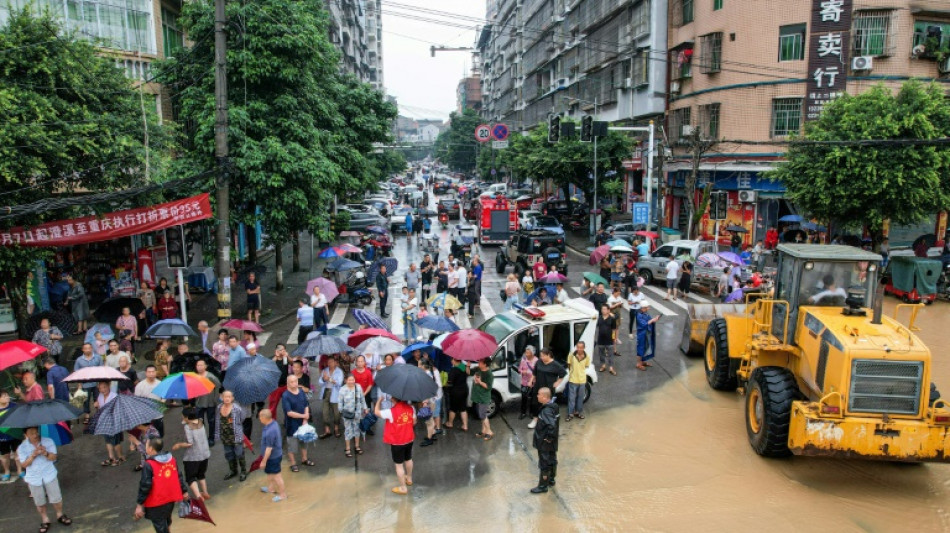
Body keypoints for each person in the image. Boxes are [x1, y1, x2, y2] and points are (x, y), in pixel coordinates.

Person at [18, 426, 71, 531]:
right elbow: (24, 464)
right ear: (26, 435)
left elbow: (54, 458)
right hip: (33, 477)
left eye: (36, 432)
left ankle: (60, 514)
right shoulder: (22, 447)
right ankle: (45, 519)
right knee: (39, 501)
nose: (35, 435)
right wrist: (33, 456)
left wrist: (45, 453)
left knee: (56, 497)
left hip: (49, 473)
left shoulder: (48, 441)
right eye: (31, 433)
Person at [135, 438, 189, 532]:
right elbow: (178, 476)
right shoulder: (171, 459)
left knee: (160, 526)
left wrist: (140, 505)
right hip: (170, 499)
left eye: (146, 445)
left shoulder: (149, 465)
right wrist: (184, 491)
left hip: (156, 502)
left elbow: (145, 486)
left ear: (151, 449)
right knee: (167, 520)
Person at [375, 395, 416, 495]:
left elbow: (376, 412)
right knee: (408, 458)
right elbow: (414, 422)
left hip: (397, 442)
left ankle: (403, 488)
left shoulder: (391, 411)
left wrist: (379, 401)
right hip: (409, 438)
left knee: (399, 465)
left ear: (394, 399)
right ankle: (409, 478)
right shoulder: (411, 408)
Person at [172, 408, 212, 501]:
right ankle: (205, 492)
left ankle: (198, 496)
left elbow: (190, 443)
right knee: (201, 475)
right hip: (205, 454)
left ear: (186, 417)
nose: (181, 417)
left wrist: (179, 445)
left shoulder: (188, 427)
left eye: (183, 416)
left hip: (193, 457)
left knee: (190, 477)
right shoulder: (201, 421)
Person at [530, 387, 559, 494]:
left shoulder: (546, 411)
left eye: (539, 394)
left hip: (545, 442)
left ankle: (543, 486)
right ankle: (551, 479)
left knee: (544, 463)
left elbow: (552, 425)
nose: (537, 396)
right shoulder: (554, 406)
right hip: (552, 442)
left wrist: (548, 438)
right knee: (552, 459)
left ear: (545, 397)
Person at [281, 375, 313, 472]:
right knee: (292, 445)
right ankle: (293, 463)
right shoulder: (285, 395)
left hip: (303, 422)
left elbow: (306, 404)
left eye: (295, 381)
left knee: (304, 442)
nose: (294, 383)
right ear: (288, 383)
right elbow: (289, 412)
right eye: (292, 382)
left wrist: (306, 415)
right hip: (292, 424)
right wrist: (304, 416)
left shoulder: (301, 391)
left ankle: (304, 458)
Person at [215, 390, 248, 482]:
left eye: (229, 397)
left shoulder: (236, 408)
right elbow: (218, 421)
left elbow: (242, 419)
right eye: (225, 397)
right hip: (225, 436)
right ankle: (233, 470)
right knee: (229, 454)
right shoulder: (219, 407)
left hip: (236, 436)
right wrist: (217, 434)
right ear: (222, 398)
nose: (227, 398)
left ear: (232, 398)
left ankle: (243, 471)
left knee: (239, 454)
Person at [530, 349, 566, 429]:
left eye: (543, 356)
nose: (541, 357)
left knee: (547, 405)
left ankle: (546, 421)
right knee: (535, 403)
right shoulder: (539, 362)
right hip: (538, 387)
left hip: (548, 389)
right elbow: (534, 373)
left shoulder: (555, 365)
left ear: (548, 355)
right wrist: (530, 381)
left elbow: (563, 373)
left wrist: (557, 382)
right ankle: (535, 419)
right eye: (541, 356)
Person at [258, 409, 286, 502]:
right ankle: (271, 488)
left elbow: (269, 448)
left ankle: (283, 495)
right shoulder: (273, 423)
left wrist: (263, 461)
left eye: (260, 417)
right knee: (270, 473)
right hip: (274, 456)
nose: (259, 419)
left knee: (277, 476)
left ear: (264, 418)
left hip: (273, 457)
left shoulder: (270, 431)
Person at [95, 381, 126, 466]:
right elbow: (100, 409)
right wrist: (97, 406)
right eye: (100, 388)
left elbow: (118, 409)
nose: (102, 390)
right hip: (104, 421)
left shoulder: (114, 396)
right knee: (107, 440)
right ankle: (111, 457)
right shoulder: (100, 396)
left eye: (104, 387)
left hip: (113, 421)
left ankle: (120, 457)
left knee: (116, 441)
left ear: (108, 386)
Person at [339, 373, 368, 457]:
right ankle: (347, 448)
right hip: (347, 413)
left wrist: (365, 408)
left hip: (357, 413)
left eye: (353, 380)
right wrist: (341, 411)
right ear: (346, 380)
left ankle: (357, 446)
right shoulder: (342, 389)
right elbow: (340, 402)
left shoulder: (358, 387)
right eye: (349, 380)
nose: (351, 381)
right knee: (348, 430)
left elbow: (362, 399)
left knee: (356, 429)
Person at [192, 360, 220, 446]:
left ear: (205, 366)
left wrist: (215, 399)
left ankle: (211, 438)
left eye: (201, 365)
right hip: (198, 402)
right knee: (199, 421)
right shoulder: (194, 377)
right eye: (198, 365)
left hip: (210, 402)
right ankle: (202, 437)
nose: (199, 367)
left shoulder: (211, 376)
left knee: (211, 421)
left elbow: (218, 386)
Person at [73, 343, 101, 424]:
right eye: (86, 348)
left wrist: (101, 382)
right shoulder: (79, 360)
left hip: (96, 383)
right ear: (83, 350)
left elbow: (102, 369)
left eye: (89, 348)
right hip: (85, 384)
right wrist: (79, 384)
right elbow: (77, 372)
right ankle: (87, 415)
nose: (87, 350)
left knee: (98, 399)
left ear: (92, 348)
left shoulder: (98, 357)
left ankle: (99, 414)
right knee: (86, 400)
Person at [135, 365, 166, 436]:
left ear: (156, 372)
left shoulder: (160, 384)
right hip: (146, 416)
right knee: (147, 436)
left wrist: (162, 403)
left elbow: (164, 397)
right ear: (146, 373)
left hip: (158, 415)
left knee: (159, 436)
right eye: (149, 372)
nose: (151, 374)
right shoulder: (140, 386)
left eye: (153, 372)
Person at [0, 390, 24, 481]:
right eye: (4, 396)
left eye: (7, 395)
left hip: (15, 435)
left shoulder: (14, 406)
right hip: (2, 437)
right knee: (5, 456)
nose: (7, 397)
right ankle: (7, 471)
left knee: (17, 453)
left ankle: (20, 470)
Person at [318, 357, 343, 439]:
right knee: (324, 412)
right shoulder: (325, 370)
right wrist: (323, 379)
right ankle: (327, 429)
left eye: (331, 362)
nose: (330, 364)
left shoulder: (339, 371)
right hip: (326, 392)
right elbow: (320, 382)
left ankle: (336, 428)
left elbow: (339, 384)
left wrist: (330, 379)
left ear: (335, 362)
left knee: (336, 413)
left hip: (335, 393)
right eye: (328, 362)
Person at [420, 359, 443, 446]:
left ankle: (429, 439)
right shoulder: (428, 374)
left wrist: (425, 401)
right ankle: (432, 434)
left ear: (423, 366)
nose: (418, 366)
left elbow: (428, 390)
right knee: (429, 419)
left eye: (419, 365)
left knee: (429, 421)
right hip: (430, 400)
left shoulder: (427, 376)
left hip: (429, 401)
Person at [566, 341, 590, 421]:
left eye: (581, 347)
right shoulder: (571, 355)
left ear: (584, 348)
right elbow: (569, 364)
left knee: (580, 398)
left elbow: (586, 366)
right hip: (573, 379)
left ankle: (578, 412)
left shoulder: (587, 356)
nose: (579, 349)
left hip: (582, 380)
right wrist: (572, 373)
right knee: (571, 398)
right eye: (578, 347)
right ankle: (570, 414)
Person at [472, 358, 495, 441]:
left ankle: (489, 431)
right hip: (478, 396)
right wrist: (467, 366)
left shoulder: (489, 374)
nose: (478, 362)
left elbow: (488, 387)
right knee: (481, 414)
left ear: (485, 364)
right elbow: (468, 372)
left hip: (484, 397)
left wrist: (480, 382)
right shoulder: (478, 370)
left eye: (480, 362)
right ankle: (483, 430)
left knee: (482, 415)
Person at [444, 358, 469, 431]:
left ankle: (450, 423)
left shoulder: (453, 370)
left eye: (451, 360)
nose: (451, 361)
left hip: (456, 392)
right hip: (464, 390)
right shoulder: (463, 366)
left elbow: (449, 382)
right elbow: (467, 374)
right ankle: (465, 425)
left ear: (454, 360)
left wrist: (444, 384)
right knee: (463, 408)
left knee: (453, 408)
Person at [635, 302, 659, 371]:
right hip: (641, 334)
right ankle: (639, 363)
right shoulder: (639, 315)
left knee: (646, 347)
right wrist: (652, 320)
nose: (648, 308)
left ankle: (643, 361)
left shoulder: (645, 313)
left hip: (646, 333)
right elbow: (644, 324)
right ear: (643, 308)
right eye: (647, 307)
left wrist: (655, 319)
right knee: (640, 348)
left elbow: (650, 320)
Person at [595, 305, 617, 375]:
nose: (603, 310)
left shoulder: (612, 319)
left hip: (609, 339)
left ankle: (611, 367)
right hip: (601, 339)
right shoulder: (599, 318)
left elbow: (614, 329)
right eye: (602, 309)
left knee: (610, 354)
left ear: (608, 310)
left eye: (604, 309)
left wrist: (614, 338)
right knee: (601, 353)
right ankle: (603, 365)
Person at [518, 346, 538, 420]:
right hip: (524, 382)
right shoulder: (523, 360)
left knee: (533, 399)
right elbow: (519, 370)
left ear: (532, 353)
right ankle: (523, 413)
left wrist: (530, 373)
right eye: (525, 352)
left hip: (533, 383)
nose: (526, 354)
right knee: (524, 398)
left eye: (528, 353)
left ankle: (531, 413)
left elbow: (537, 372)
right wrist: (524, 372)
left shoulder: (536, 361)